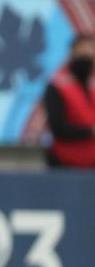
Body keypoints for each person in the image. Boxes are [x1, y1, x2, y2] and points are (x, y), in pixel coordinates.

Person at [43, 34, 95, 168]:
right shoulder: (57, 85)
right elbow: (57, 127)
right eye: (81, 51)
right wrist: (90, 131)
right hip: (65, 163)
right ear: (72, 53)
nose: (86, 56)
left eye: (89, 52)